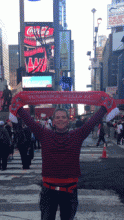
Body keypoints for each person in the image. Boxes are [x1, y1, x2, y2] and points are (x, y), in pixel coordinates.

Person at [9, 95, 119, 220]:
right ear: (53, 121)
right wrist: (18, 107)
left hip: (69, 192)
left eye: (63, 117)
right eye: (57, 117)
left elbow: (92, 121)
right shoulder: (44, 134)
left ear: (68, 120)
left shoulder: (77, 135)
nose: (60, 120)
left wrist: (105, 107)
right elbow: (29, 121)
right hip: (48, 191)